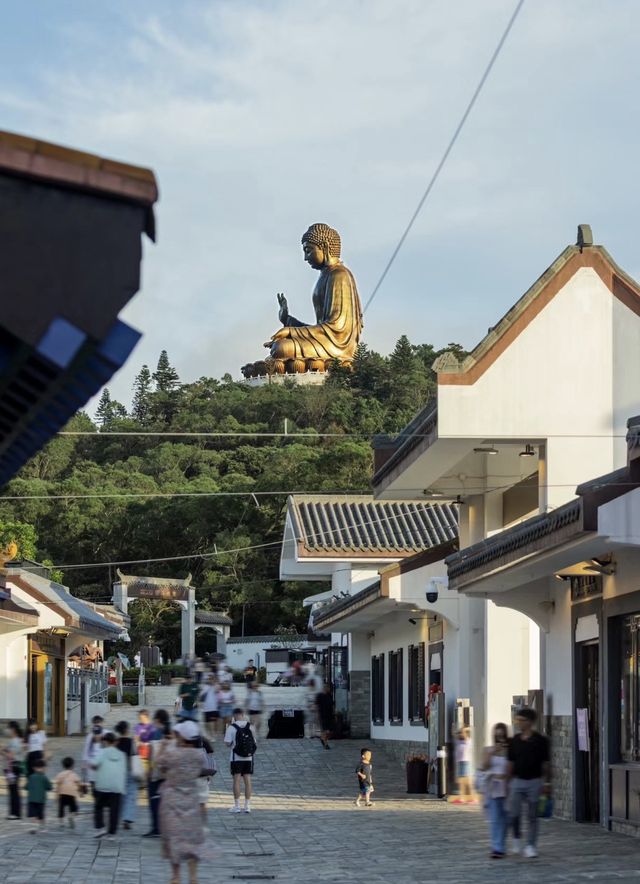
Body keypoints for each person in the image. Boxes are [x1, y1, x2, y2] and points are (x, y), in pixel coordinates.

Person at [157, 720, 206, 884]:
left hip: (172, 801)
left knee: (174, 839)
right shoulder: (200, 755)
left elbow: (159, 766)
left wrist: (165, 746)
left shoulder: (172, 753)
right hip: (191, 800)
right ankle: (193, 877)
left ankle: (176, 876)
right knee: (192, 840)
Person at [508, 707, 551, 859]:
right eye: (517, 720)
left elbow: (546, 763)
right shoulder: (514, 740)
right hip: (517, 781)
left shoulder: (541, 741)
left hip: (534, 781)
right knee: (514, 813)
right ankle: (517, 838)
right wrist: (508, 783)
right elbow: (510, 762)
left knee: (533, 816)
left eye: (522, 720)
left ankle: (531, 845)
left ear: (530, 722)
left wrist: (546, 784)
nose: (519, 723)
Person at [479, 723, 510, 858]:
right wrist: (493, 752)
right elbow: (484, 766)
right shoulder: (489, 750)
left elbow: (512, 766)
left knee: (507, 818)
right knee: (496, 818)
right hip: (493, 786)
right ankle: (497, 847)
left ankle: (501, 843)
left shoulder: (510, 750)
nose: (500, 739)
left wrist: (506, 776)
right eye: (497, 736)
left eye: (502, 736)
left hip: (506, 786)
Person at [92, 732, 127, 841]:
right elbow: (124, 770)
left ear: (105, 741)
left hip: (103, 784)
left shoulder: (102, 752)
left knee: (98, 807)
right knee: (114, 810)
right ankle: (112, 834)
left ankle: (100, 827)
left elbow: (94, 764)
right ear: (115, 742)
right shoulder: (122, 755)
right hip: (117, 786)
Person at [145, 709, 171, 839]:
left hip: (156, 772)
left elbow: (151, 754)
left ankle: (156, 828)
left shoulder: (155, 734)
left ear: (158, 720)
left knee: (154, 801)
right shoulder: (171, 733)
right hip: (169, 773)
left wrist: (148, 772)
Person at [225, 708, 257, 814]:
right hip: (249, 758)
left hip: (236, 758)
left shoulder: (231, 727)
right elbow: (254, 743)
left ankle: (237, 806)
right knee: (248, 781)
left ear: (234, 716)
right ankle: (247, 806)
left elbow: (227, 743)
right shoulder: (251, 726)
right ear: (243, 714)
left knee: (236, 781)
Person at [115, 720, 138, 830]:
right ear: (127, 730)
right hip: (129, 770)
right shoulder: (131, 742)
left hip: (118, 771)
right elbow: (133, 756)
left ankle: (119, 816)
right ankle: (127, 818)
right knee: (131, 794)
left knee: (120, 795)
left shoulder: (116, 742)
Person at [53, 756, 82, 830]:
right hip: (71, 794)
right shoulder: (74, 774)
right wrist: (79, 791)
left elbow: (57, 785)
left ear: (63, 765)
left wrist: (56, 796)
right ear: (72, 766)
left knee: (61, 808)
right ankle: (71, 815)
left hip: (62, 793)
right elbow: (79, 783)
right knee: (73, 807)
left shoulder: (60, 774)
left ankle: (61, 822)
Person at [3, 721, 24, 820]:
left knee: (13, 791)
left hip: (13, 768)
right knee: (13, 790)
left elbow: (11, 756)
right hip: (11, 768)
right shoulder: (13, 740)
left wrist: (2, 751)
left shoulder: (16, 741)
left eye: (8, 728)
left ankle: (15, 813)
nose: (7, 730)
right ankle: (14, 812)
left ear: (13, 730)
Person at [27, 758, 52, 833]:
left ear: (34, 768)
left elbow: (26, 787)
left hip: (31, 800)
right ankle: (42, 827)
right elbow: (49, 787)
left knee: (33, 814)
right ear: (43, 768)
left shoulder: (31, 777)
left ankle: (33, 827)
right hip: (41, 800)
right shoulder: (44, 777)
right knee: (41, 814)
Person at [81, 714, 104, 793]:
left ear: (102, 723)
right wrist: (84, 763)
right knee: (93, 782)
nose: (97, 724)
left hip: (102, 762)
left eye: (99, 722)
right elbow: (86, 750)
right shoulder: (90, 736)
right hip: (92, 762)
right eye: (96, 723)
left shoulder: (106, 734)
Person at [454, 727, 477, 803]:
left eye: (462, 733)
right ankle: (462, 798)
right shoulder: (459, 742)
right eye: (460, 733)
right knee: (461, 782)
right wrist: (459, 731)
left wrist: (466, 729)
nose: (461, 734)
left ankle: (473, 798)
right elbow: (454, 733)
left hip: (466, 763)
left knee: (468, 782)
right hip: (460, 762)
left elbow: (471, 730)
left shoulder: (468, 741)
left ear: (466, 734)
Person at [199, 675, 219, 741]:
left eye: (212, 679)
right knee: (207, 723)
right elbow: (201, 696)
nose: (210, 680)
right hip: (205, 708)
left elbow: (217, 690)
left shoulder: (215, 686)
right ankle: (209, 735)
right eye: (209, 679)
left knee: (212, 722)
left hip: (213, 708)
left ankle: (212, 735)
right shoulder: (205, 687)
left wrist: (213, 684)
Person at [315, 684, 334, 750]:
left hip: (330, 715)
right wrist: (317, 715)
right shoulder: (319, 695)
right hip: (322, 715)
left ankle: (322, 738)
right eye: (326, 687)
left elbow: (332, 705)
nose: (328, 689)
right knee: (325, 730)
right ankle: (326, 744)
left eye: (328, 687)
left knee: (331, 731)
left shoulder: (330, 695)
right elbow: (316, 706)